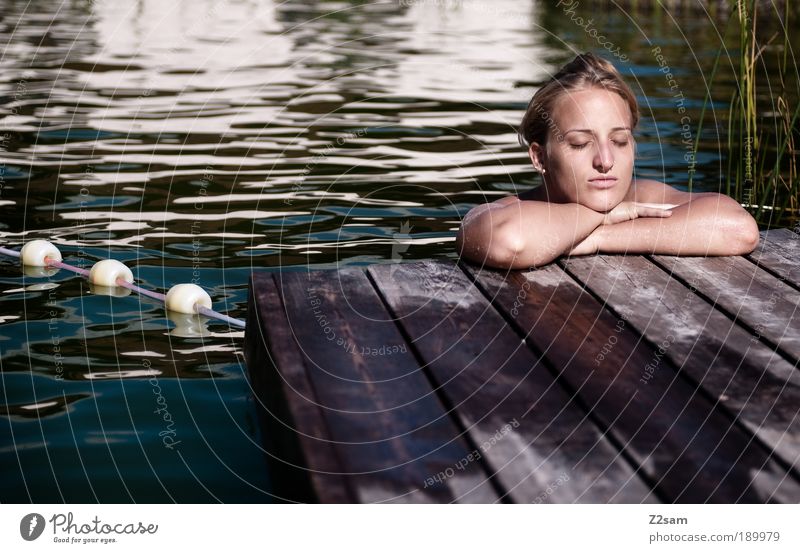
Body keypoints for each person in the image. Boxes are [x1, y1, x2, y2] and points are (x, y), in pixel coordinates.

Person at [456, 52, 760, 270]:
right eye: (579, 143)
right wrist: (601, 216)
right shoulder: (511, 211)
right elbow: (509, 242)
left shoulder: (641, 198)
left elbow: (738, 228)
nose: (605, 160)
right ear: (539, 156)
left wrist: (599, 236)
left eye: (619, 141)